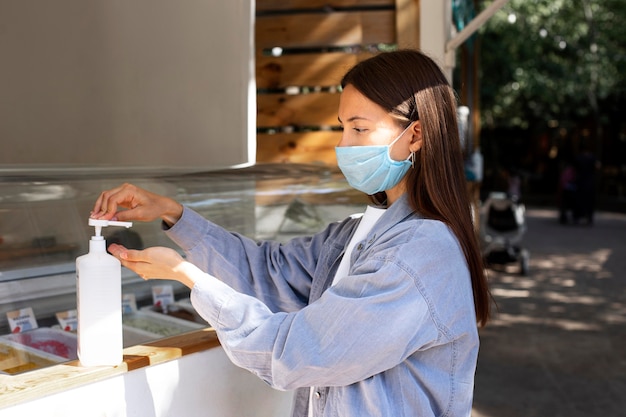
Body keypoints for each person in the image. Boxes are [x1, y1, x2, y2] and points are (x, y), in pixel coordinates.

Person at [91, 49, 491, 417]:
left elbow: (297, 354)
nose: (343, 145)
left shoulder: (420, 254)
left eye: (359, 129)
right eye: (342, 128)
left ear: (416, 135)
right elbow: (268, 270)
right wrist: (173, 214)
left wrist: (187, 276)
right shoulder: (354, 235)